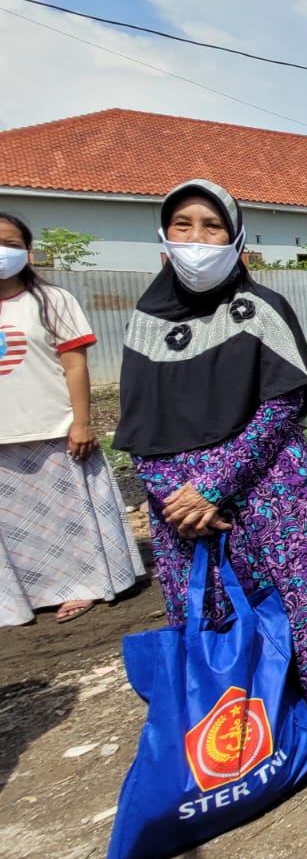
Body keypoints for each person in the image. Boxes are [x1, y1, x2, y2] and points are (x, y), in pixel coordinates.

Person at [114, 181, 307, 725]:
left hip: (269, 489)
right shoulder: (147, 324)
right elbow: (139, 424)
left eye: (212, 226)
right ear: (164, 238)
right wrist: (177, 498)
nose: (197, 239)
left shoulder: (262, 309)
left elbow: (282, 406)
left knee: (303, 616)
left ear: (235, 238)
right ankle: (240, 745)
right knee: (213, 625)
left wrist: (213, 484)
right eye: (183, 226)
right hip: (183, 511)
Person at [0, 213, 144, 626]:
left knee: (66, 518)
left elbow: (75, 366)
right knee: (13, 527)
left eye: (10, 244)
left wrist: (81, 422)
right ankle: (20, 595)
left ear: (27, 253)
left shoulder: (51, 301)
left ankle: (82, 587)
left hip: (51, 428)